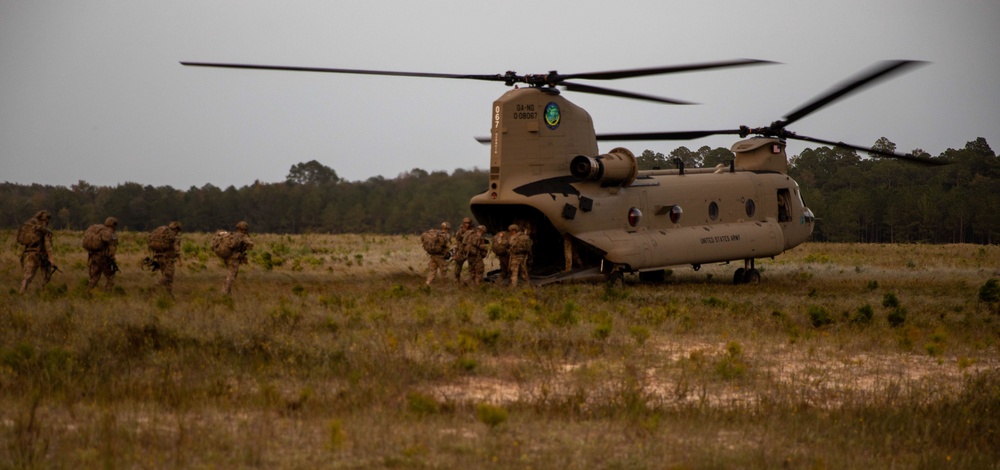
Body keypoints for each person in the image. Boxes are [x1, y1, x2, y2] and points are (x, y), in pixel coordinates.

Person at [18, 210, 56, 294]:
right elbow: (48, 245)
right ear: (46, 219)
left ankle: (21, 292)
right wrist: (51, 259)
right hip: (42, 256)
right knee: (46, 276)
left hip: (30, 254)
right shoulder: (44, 230)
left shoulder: (32, 228)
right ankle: (45, 294)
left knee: (28, 276)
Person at [84, 217, 119, 292]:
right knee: (111, 277)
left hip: (94, 256)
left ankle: (87, 292)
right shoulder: (111, 233)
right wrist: (113, 259)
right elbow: (112, 247)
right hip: (104, 258)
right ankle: (107, 294)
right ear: (114, 225)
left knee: (94, 277)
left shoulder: (99, 230)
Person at [148, 221, 182, 296]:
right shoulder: (174, 237)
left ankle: (169, 295)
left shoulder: (164, 236)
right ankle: (154, 287)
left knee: (168, 279)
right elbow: (177, 249)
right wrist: (180, 260)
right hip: (168, 259)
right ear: (176, 229)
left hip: (160, 258)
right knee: (168, 276)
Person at [221, 221, 255, 295]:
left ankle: (227, 291)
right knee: (232, 275)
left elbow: (231, 245)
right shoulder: (242, 236)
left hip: (228, 257)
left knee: (230, 273)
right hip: (235, 258)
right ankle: (225, 291)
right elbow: (250, 244)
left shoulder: (233, 235)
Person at [423, 221, 452, 285]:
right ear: (447, 228)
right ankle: (447, 286)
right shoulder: (446, 235)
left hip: (433, 256)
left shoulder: (436, 234)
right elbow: (445, 245)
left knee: (432, 272)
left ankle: (427, 284)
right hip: (440, 257)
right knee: (444, 272)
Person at [452, 217, 473, 284]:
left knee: (472, 266)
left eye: (468, 223)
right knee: (458, 265)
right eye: (466, 223)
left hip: (470, 250)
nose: (467, 224)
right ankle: (456, 279)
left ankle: (468, 281)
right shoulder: (460, 231)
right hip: (461, 250)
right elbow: (457, 241)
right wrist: (455, 253)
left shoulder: (473, 230)